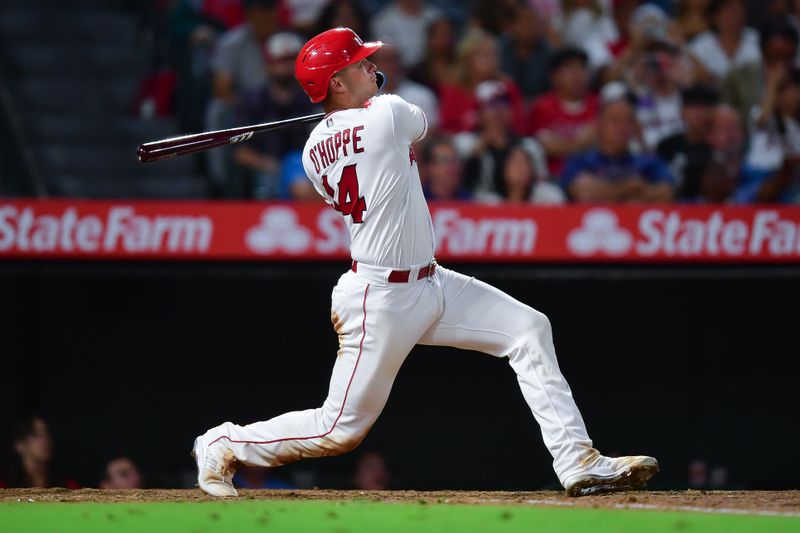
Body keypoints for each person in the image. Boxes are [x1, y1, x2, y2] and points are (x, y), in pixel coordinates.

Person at [192, 27, 659, 499]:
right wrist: (369, 101)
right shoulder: (389, 113)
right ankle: (223, 442)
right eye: (360, 64)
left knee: (528, 329)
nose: (373, 67)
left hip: (430, 283)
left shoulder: (314, 151)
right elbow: (417, 120)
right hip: (381, 298)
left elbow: (359, 131)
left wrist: (353, 105)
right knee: (338, 429)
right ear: (335, 83)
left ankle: (577, 460)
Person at [232, 31, 317, 199]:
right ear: (268, 64)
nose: (287, 66)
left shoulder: (312, 99)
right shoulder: (252, 102)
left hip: (307, 168)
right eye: (281, 60)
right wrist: (270, 165)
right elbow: (239, 152)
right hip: (266, 170)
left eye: (292, 60)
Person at [561, 88, 676, 202]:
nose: (622, 127)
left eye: (628, 120)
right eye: (614, 120)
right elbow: (582, 193)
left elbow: (667, 193)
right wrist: (630, 188)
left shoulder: (649, 163)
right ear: (599, 125)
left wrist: (604, 192)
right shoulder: (580, 161)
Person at [526, 47, 598, 178]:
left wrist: (564, 145)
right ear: (553, 76)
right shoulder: (542, 108)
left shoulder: (599, 105)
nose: (577, 74)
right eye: (569, 68)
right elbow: (546, 147)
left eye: (581, 67)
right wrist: (581, 145)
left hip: (594, 176)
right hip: (554, 178)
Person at [657, 84, 719, 201]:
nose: (698, 112)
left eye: (704, 106)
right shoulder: (666, 146)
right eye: (693, 106)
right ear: (682, 111)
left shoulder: (718, 146)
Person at [6, 415, 78, 489]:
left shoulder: (67, 486)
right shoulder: (5, 487)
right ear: (19, 444)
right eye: (36, 434)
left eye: (47, 433)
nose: (45, 440)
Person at [421, 136, 472, 201]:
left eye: (455, 160)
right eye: (445, 160)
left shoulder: (468, 200)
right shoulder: (417, 200)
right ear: (429, 167)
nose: (453, 166)